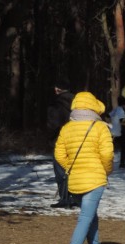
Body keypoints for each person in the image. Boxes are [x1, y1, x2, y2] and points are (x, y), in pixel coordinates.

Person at [54, 91, 114, 244]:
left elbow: (58, 155)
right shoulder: (100, 127)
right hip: (95, 180)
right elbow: (107, 154)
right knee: (86, 218)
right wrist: (106, 170)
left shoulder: (66, 128)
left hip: (75, 181)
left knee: (90, 216)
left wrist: (71, 167)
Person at [46, 80, 77, 208]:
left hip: (60, 141)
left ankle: (65, 198)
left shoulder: (55, 104)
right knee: (74, 169)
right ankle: (75, 196)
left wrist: (50, 138)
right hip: (77, 139)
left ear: (57, 89)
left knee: (61, 170)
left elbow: (53, 125)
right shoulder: (77, 103)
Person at [109, 95, 125, 169]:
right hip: (120, 132)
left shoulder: (115, 109)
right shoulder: (121, 111)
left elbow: (107, 116)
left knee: (112, 148)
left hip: (113, 131)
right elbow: (122, 121)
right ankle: (122, 163)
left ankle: (108, 161)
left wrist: (111, 123)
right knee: (124, 148)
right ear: (124, 104)